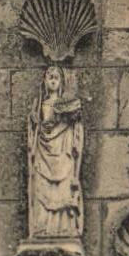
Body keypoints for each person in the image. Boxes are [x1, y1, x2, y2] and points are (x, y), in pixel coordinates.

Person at [27, 63, 85, 242]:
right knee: (42, 188)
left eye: (56, 77)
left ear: (61, 82)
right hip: (43, 151)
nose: (53, 80)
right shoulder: (39, 106)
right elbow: (35, 130)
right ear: (44, 81)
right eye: (49, 77)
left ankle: (63, 228)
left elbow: (76, 133)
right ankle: (42, 227)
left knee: (63, 188)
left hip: (62, 151)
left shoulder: (69, 105)